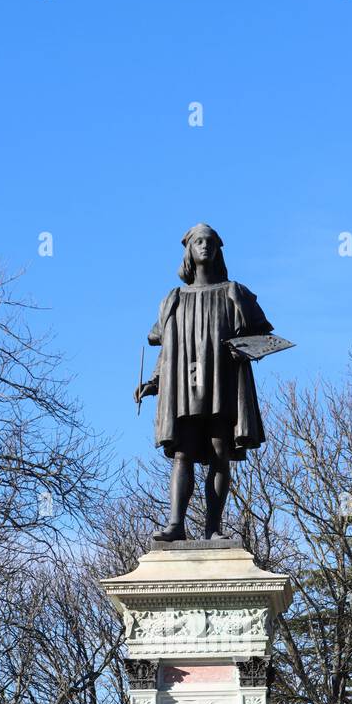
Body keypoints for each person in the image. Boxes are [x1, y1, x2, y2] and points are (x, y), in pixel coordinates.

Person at [134, 224, 273, 541]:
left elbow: (262, 336)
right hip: (185, 387)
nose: (205, 246)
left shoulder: (235, 293)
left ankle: (213, 529)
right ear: (189, 250)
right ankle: (176, 525)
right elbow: (168, 349)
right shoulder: (174, 299)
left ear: (218, 249)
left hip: (222, 384)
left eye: (210, 241)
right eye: (199, 241)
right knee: (183, 453)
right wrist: (153, 383)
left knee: (220, 452)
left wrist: (248, 350)